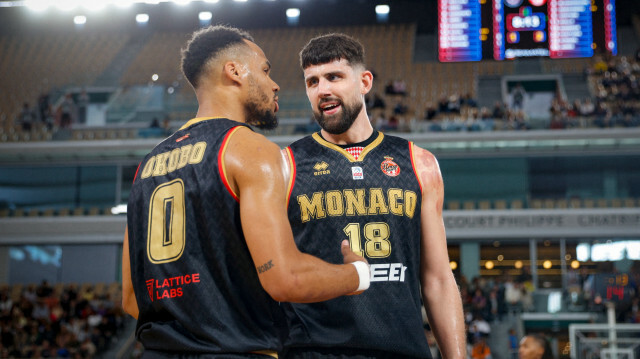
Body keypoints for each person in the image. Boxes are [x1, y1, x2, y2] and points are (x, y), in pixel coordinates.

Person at [121, 25, 371, 358]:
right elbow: (285, 279)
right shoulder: (247, 149)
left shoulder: (146, 166)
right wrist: (357, 274)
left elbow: (130, 298)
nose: (274, 83)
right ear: (235, 71)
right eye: (266, 70)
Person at [281, 33, 466, 358]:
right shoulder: (286, 165)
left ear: (364, 81)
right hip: (315, 352)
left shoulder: (418, 162)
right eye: (312, 82)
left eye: (333, 77)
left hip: (402, 349)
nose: (322, 90)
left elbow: (437, 278)